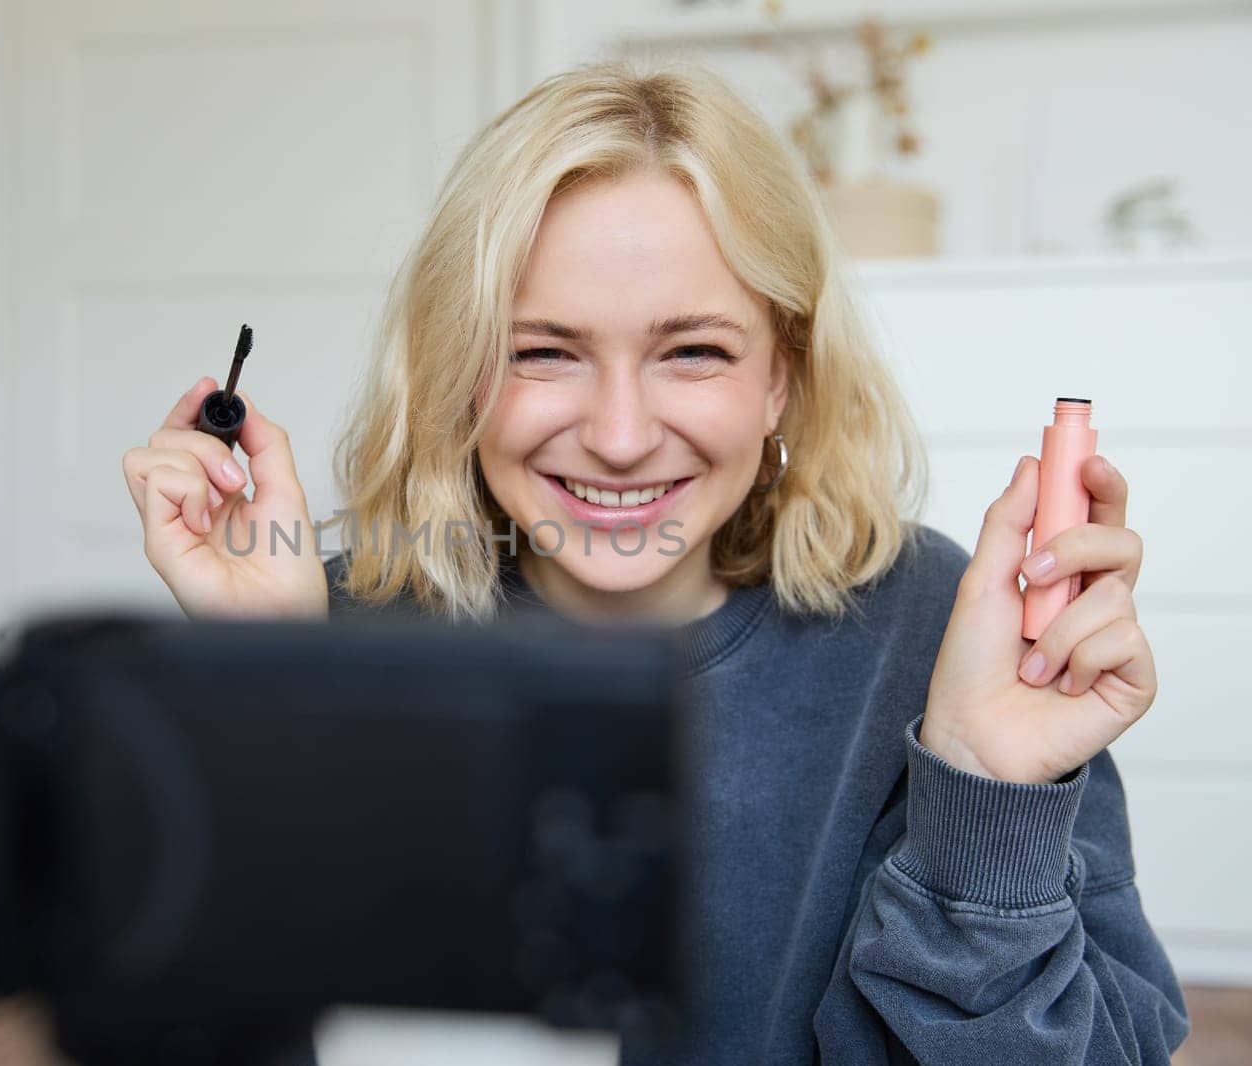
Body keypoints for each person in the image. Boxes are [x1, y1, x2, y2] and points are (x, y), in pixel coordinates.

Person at [120, 59, 1190, 1064]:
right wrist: (261, 699)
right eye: (543, 351)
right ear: (457, 372)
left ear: (782, 375)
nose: (622, 436)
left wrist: (984, 801)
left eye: (692, 351)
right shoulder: (330, 624)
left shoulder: (934, 632)